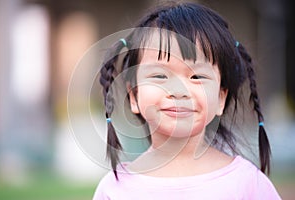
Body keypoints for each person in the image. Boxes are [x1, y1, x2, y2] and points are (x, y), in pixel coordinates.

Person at [93, 2, 281, 199]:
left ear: (220, 98)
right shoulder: (114, 190)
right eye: (160, 76)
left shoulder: (247, 184)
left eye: (197, 77)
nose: (179, 91)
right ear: (134, 97)